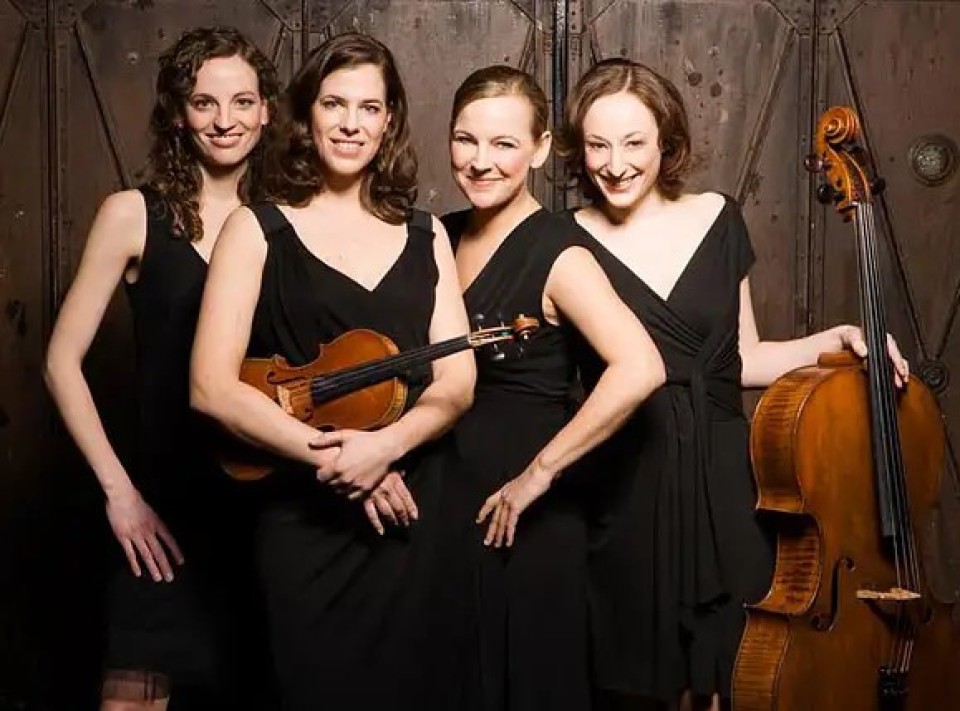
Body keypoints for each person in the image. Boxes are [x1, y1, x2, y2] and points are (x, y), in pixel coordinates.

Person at [555, 58, 910, 711]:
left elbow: (742, 359)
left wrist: (842, 337)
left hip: (727, 482)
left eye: (634, 142)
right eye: (599, 145)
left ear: (666, 141)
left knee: (735, 680)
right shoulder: (564, 239)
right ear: (580, 149)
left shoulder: (718, 217)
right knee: (631, 684)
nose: (615, 163)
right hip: (625, 483)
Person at [188, 32, 476, 711]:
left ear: (390, 120)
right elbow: (209, 387)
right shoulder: (257, 228)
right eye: (334, 104)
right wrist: (342, 458)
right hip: (306, 519)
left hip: (418, 515)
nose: (351, 123)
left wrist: (387, 446)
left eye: (369, 107)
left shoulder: (427, 234)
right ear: (306, 115)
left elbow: (457, 378)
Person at [44, 26, 279, 710]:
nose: (225, 120)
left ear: (266, 111)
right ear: (178, 112)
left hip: (266, 503)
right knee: (133, 695)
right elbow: (60, 361)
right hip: (161, 505)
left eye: (242, 101)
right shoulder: (132, 215)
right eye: (204, 102)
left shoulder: (286, 221)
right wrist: (120, 494)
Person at [435, 65, 666, 711]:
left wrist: (539, 473)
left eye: (504, 144)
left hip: (526, 524)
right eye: (466, 140)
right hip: (447, 508)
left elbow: (640, 366)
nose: (481, 161)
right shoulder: (438, 234)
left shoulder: (560, 253)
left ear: (539, 149)